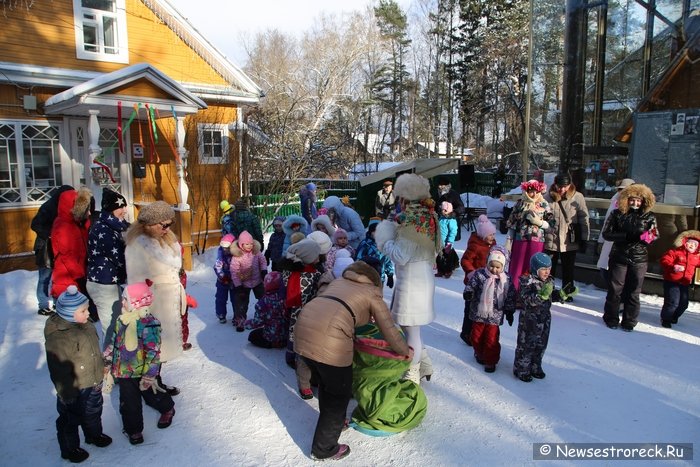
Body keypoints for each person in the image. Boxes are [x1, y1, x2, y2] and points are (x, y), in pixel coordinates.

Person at [294, 261, 411, 461]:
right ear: (374, 281)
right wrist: (404, 350)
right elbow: (389, 329)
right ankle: (323, 449)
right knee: (338, 396)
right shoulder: (371, 292)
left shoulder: (340, 282)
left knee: (327, 383)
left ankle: (337, 423)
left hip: (302, 329)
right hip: (330, 339)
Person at [375, 173, 441, 384]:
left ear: (406, 198)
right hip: (420, 279)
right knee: (411, 327)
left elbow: (401, 255)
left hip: (413, 283)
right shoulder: (428, 216)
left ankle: (412, 374)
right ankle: (425, 364)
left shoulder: (413, 222)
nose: (398, 201)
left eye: (400, 196)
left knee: (410, 329)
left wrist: (384, 239)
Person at [44, 285, 112, 463]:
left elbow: (92, 350)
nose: (88, 313)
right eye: (83, 310)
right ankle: (70, 448)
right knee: (70, 419)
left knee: (93, 412)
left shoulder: (86, 325)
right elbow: (58, 369)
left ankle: (93, 435)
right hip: (73, 388)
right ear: (68, 314)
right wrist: (66, 392)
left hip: (93, 380)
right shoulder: (59, 337)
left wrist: (101, 364)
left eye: (88, 309)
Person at [103, 281, 176, 445]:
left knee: (151, 395)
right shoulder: (122, 319)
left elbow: (153, 351)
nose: (122, 303)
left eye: (125, 300)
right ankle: (133, 430)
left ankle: (167, 408)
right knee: (129, 402)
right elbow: (115, 340)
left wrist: (150, 375)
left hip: (144, 371)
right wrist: (107, 357)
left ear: (136, 303)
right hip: (124, 370)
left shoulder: (149, 323)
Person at [125, 201, 184, 395]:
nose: (167, 229)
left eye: (169, 224)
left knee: (161, 348)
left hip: (168, 301)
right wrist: (141, 311)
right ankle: (149, 387)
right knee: (151, 347)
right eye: (163, 225)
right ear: (149, 224)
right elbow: (135, 281)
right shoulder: (137, 246)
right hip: (153, 304)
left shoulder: (166, 239)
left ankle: (156, 380)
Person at [601, 183, 658, 331]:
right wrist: (625, 236)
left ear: (644, 201)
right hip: (619, 255)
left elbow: (655, 235)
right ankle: (611, 318)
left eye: (639, 200)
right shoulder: (617, 214)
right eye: (632, 199)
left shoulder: (649, 216)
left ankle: (630, 321)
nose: (635, 203)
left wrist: (644, 237)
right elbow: (606, 234)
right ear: (626, 199)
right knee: (615, 289)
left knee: (634, 291)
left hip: (639, 258)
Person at [513, 253, 577, 382]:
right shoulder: (527, 281)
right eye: (543, 269)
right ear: (535, 268)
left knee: (541, 344)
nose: (547, 272)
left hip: (545, 318)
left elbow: (551, 295)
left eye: (549, 268)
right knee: (527, 345)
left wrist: (561, 294)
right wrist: (540, 296)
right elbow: (526, 299)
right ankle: (522, 368)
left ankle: (535, 366)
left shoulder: (549, 280)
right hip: (529, 320)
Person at [86, 188, 129, 349]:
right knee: (111, 327)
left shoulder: (113, 226)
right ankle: (109, 365)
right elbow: (119, 257)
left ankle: (115, 359)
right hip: (102, 284)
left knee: (117, 323)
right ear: (110, 209)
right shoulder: (104, 229)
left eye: (124, 206)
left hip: (110, 282)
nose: (124, 210)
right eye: (120, 207)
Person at [279, 239, 322, 395]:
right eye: (316, 255)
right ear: (308, 257)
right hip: (306, 310)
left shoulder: (289, 270)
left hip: (296, 309)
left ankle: (291, 355)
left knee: (293, 331)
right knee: (298, 334)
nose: (319, 257)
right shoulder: (314, 273)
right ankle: (295, 357)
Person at [463, 248, 516, 373]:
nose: (494, 270)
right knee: (476, 337)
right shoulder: (480, 274)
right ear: (487, 263)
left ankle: (490, 361)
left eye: (498, 267)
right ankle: (479, 353)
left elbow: (511, 295)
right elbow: (471, 285)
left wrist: (509, 311)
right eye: (492, 266)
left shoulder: (506, 280)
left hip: (495, 315)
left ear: (503, 266)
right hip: (478, 314)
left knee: (491, 339)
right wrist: (469, 293)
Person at [543, 173, 590, 301]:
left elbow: (584, 218)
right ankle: (548, 292)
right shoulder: (547, 197)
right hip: (551, 238)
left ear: (570, 185)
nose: (562, 189)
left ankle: (567, 292)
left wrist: (585, 238)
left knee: (568, 268)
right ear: (555, 184)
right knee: (548, 268)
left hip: (569, 239)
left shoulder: (578, 197)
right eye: (559, 186)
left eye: (565, 186)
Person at [31, 184, 74, 316]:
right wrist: (51, 234)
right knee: (45, 277)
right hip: (45, 248)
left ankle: (58, 301)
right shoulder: (48, 207)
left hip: (57, 246)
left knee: (58, 277)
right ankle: (43, 305)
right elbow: (35, 224)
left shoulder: (65, 207)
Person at [505, 179, 552, 292]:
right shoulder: (520, 203)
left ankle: (532, 294)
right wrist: (508, 239)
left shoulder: (544, 204)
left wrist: (540, 223)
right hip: (520, 240)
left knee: (533, 268)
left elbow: (552, 224)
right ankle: (514, 293)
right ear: (526, 191)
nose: (534, 194)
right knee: (518, 267)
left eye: (536, 191)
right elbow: (511, 222)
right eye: (531, 191)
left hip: (537, 241)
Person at [459, 214, 497, 345]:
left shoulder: (493, 246)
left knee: (480, 310)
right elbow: (465, 260)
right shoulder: (475, 245)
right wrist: (471, 273)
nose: (493, 237)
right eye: (490, 235)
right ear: (483, 235)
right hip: (474, 283)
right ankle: (466, 332)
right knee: (470, 309)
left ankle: (477, 333)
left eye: (493, 234)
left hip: (486, 283)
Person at [50, 187, 93, 300]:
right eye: (85, 209)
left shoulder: (77, 224)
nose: (89, 212)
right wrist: (80, 276)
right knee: (72, 316)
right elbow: (67, 256)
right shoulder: (63, 226)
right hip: (67, 281)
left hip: (76, 278)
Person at [596, 178, 636, 283]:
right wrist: (601, 241)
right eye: (620, 189)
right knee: (606, 271)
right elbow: (606, 223)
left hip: (626, 245)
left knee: (620, 274)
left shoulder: (635, 206)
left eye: (625, 190)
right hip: (611, 240)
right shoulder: (615, 201)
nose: (621, 192)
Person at [659, 230, 700, 328]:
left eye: (695, 244)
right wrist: (673, 267)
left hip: (684, 283)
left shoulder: (696, 257)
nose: (691, 245)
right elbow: (664, 260)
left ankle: (674, 316)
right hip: (672, 281)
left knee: (683, 304)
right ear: (684, 242)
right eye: (690, 243)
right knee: (673, 302)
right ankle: (666, 319)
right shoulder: (675, 252)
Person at [229, 231, 267, 332]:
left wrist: (264, 271)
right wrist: (238, 286)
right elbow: (234, 271)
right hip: (243, 284)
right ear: (241, 245)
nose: (250, 246)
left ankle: (264, 317)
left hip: (257, 280)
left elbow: (263, 261)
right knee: (241, 303)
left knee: (263, 298)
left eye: (251, 243)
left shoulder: (256, 252)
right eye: (247, 244)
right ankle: (240, 320)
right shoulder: (237, 256)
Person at [245, 271, 288, 348]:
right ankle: (283, 341)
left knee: (252, 335)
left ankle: (272, 344)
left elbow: (257, 322)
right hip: (287, 332)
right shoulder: (285, 297)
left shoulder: (263, 303)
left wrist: (246, 323)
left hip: (272, 334)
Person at [356, 220, 394, 288]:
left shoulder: (383, 244)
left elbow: (387, 260)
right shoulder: (365, 244)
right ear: (371, 232)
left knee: (378, 296)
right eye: (375, 232)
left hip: (380, 277)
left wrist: (390, 275)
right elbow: (358, 260)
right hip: (367, 277)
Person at [214, 234, 236, 324]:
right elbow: (217, 266)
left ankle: (237, 315)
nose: (225, 249)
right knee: (221, 298)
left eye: (227, 247)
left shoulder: (236, 253)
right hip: (222, 280)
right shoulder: (221, 253)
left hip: (234, 280)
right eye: (223, 247)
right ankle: (221, 314)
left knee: (235, 299)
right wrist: (222, 277)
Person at [436, 177, 465, 241]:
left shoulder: (453, 194)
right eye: (439, 185)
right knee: (443, 244)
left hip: (451, 222)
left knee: (449, 242)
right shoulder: (437, 194)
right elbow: (436, 207)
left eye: (441, 185)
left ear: (446, 185)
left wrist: (452, 213)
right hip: (441, 224)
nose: (439, 186)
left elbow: (461, 208)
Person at [435, 201, 459, 278]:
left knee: (447, 258)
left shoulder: (451, 220)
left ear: (449, 211)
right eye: (442, 210)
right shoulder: (441, 218)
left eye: (445, 210)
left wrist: (449, 242)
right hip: (440, 242)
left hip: (447, 243)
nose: (443, 211)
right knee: (439, 257)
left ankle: (448, 270)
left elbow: (453, 232)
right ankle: (440, 270)